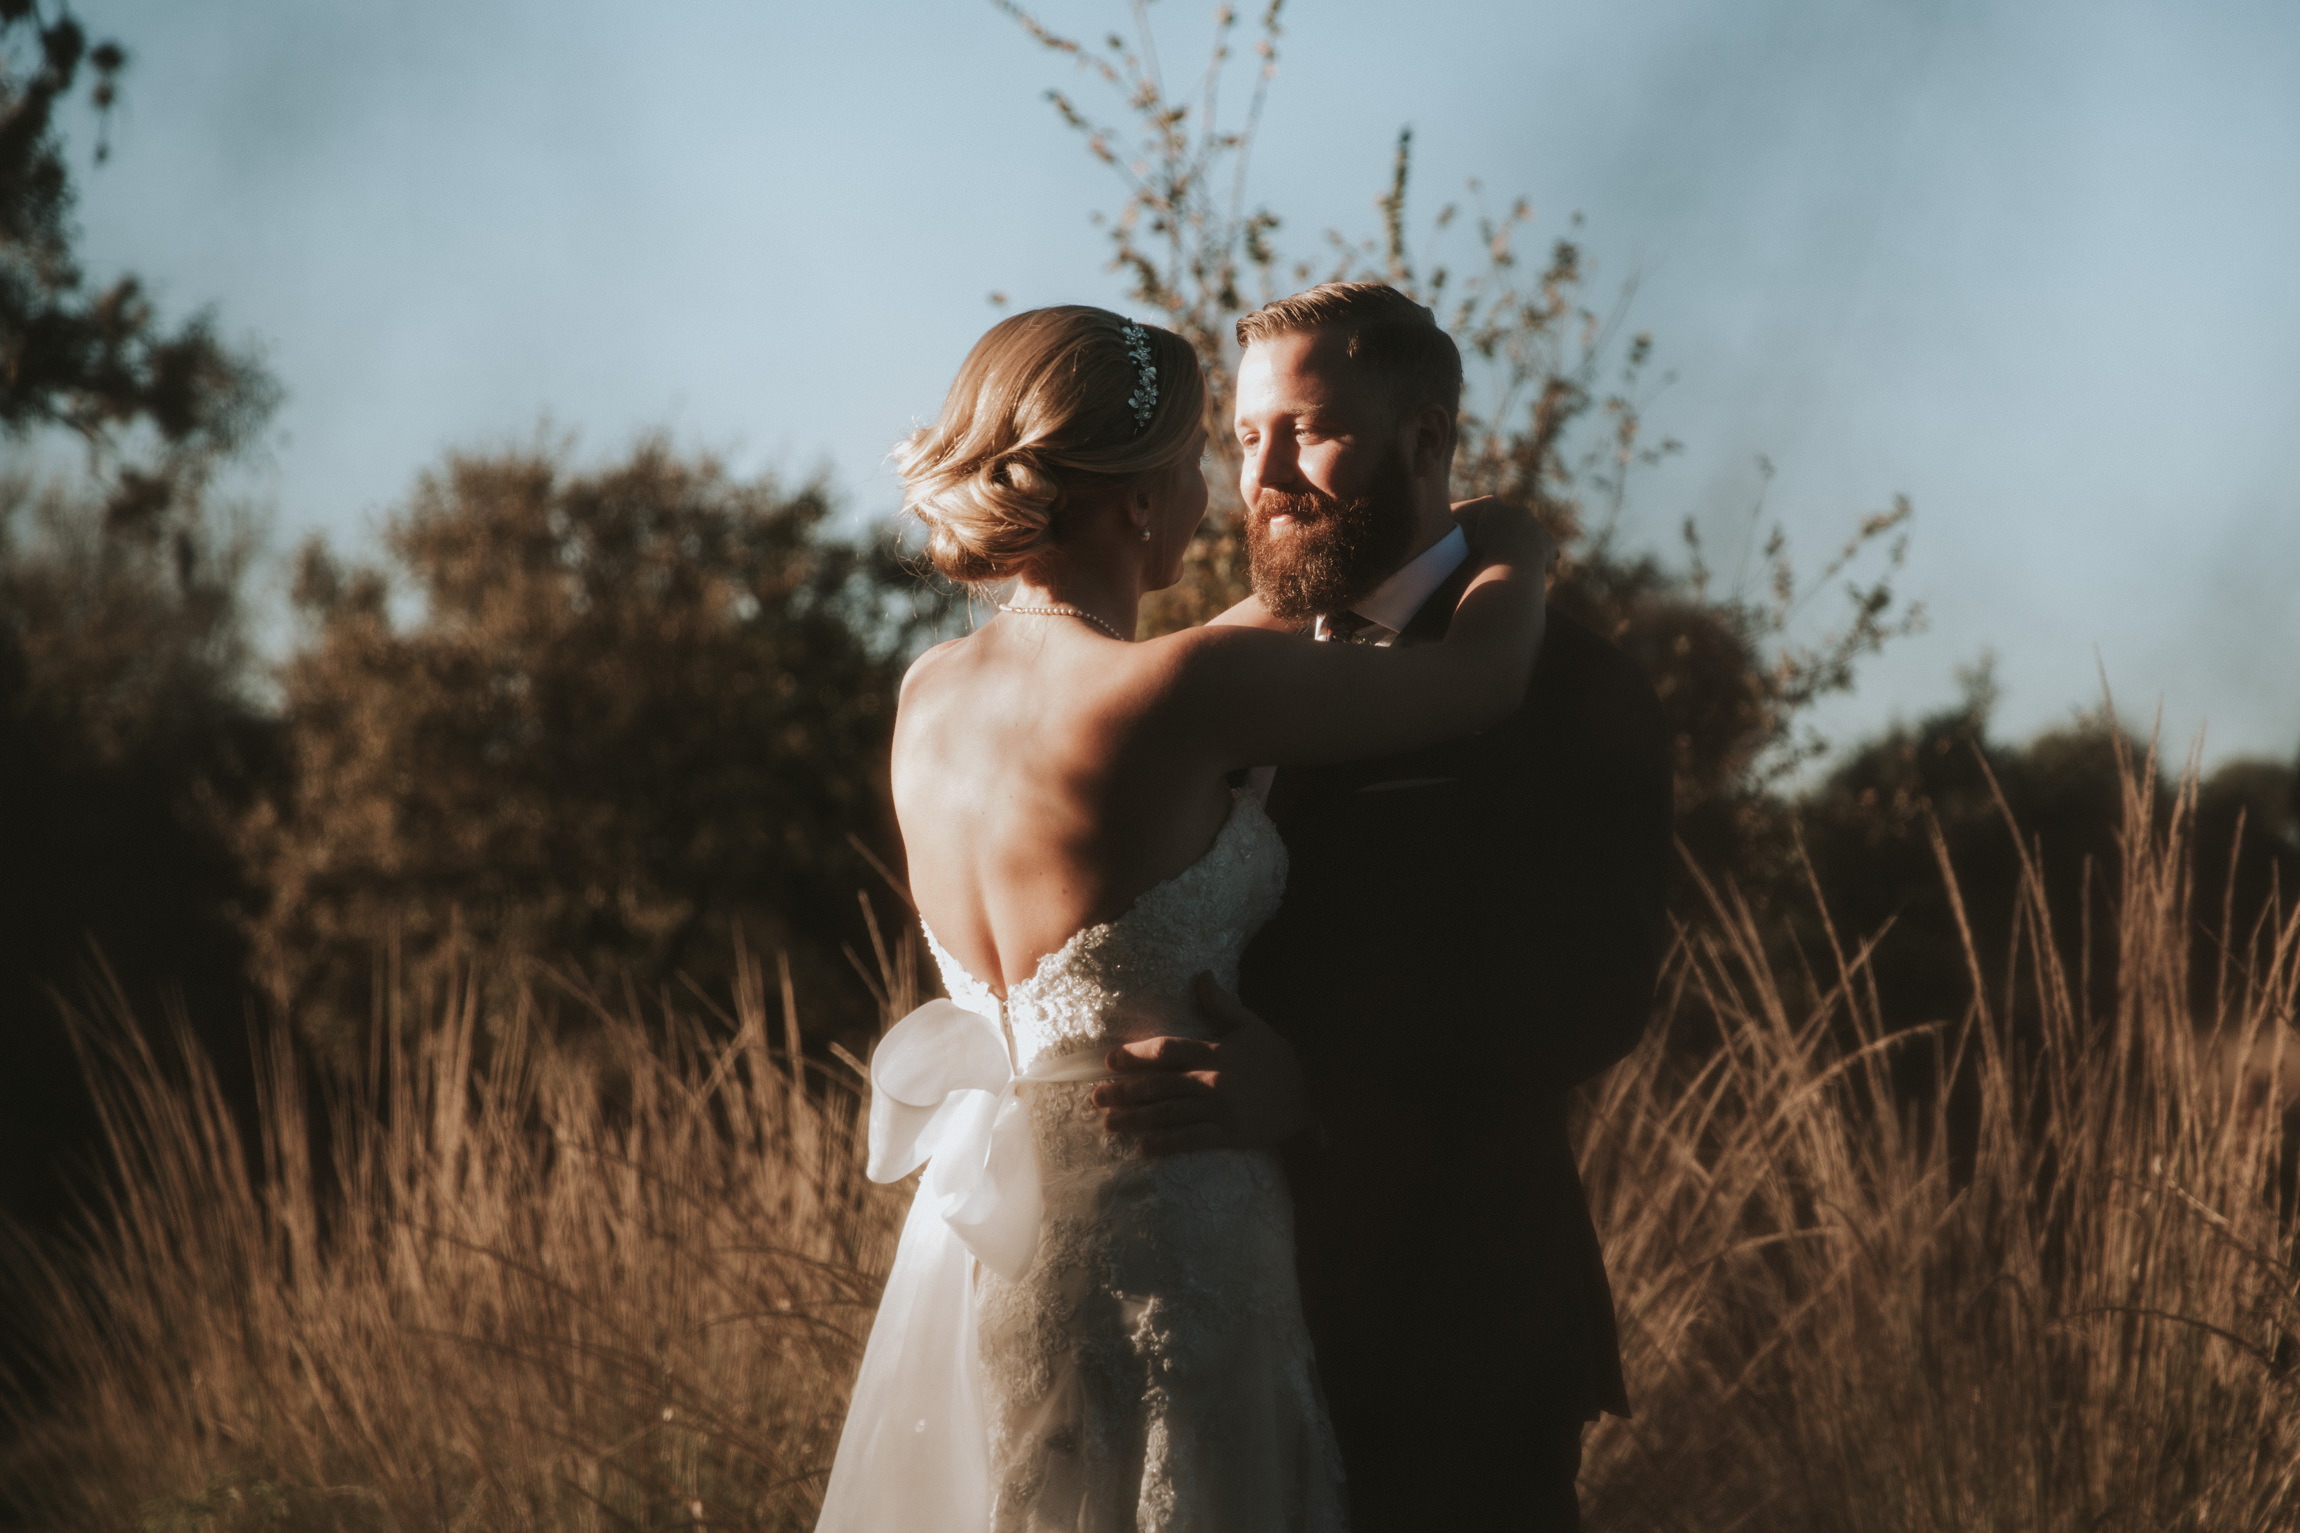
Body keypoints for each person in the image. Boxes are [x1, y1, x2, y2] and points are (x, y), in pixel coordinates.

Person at [814, 304, 1556, 1532]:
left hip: (990, 1252)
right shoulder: (1183, 691)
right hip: (1174, 1239)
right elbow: (1477, 682)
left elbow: (1174, 676)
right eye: (1205, 453)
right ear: (1137, 501)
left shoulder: (928, 695)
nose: (1226, 484)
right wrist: (1512, 546)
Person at [1090, 282, 1674, 1531]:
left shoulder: (1563, 683)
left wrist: (1314, 1093)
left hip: (1451, 1326)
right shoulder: (1228, 677)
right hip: (1205, 1312)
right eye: (1246, 439)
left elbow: (1589, 992)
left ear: (1424, 442)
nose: (1268, 475)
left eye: (1309, 430)